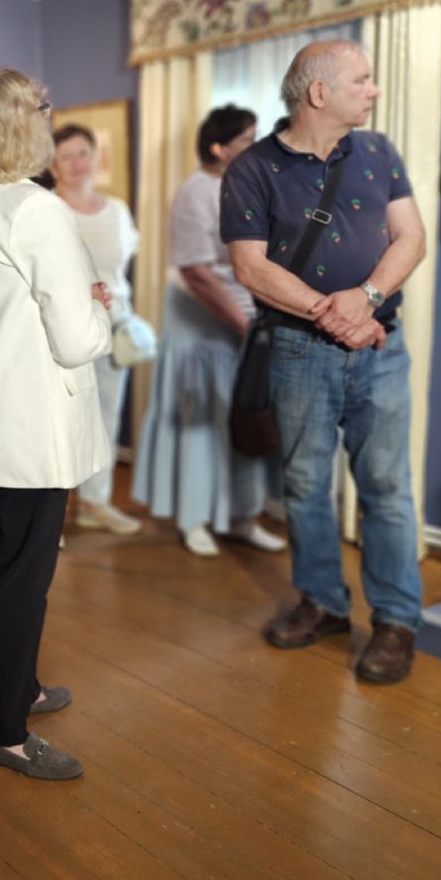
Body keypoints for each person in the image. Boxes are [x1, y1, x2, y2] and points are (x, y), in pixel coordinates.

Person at [221, 39, 427, 685]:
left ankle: (396, 621)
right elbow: (250, 267)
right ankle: (323, 603)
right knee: (306, 486)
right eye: (361, 80)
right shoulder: (251, 168)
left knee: (386, 488)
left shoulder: (379, 151)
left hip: (381, 349)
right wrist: (333, 314)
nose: (373, 90)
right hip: (298, 351)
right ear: (318, 92)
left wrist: (366, 299)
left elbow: (412, 237)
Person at [0, 68, 113, 781]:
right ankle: (0, 730)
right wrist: (97, 308)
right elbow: (75, 338)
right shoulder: (35, 210)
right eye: (43, 107)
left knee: (0, 563)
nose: (50, 116)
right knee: (21, 579)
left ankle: (21, 688)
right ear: (17, 123)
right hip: (29, 427)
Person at [131, 106, 286, 557]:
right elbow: (197, 272)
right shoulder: (195, 193)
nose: (256, 147)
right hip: (201, 322)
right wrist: (244, 326)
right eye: (246, 140)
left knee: (244, 417)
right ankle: (194, 518)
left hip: (245, 320)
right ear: (219, 148)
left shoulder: (249, 187)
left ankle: (242, 516)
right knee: (200, 422)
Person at [50, 123, 143, 538]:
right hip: (64, 329)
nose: (75, 163)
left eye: (82, 153)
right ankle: (49, 515)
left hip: (114, 326)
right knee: (59, 420)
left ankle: (94, 502)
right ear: (53, 164)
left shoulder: (118, 210)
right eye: (65, 156)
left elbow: (120, 270)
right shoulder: (49, 210)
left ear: (96, 157)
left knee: (106, 417)